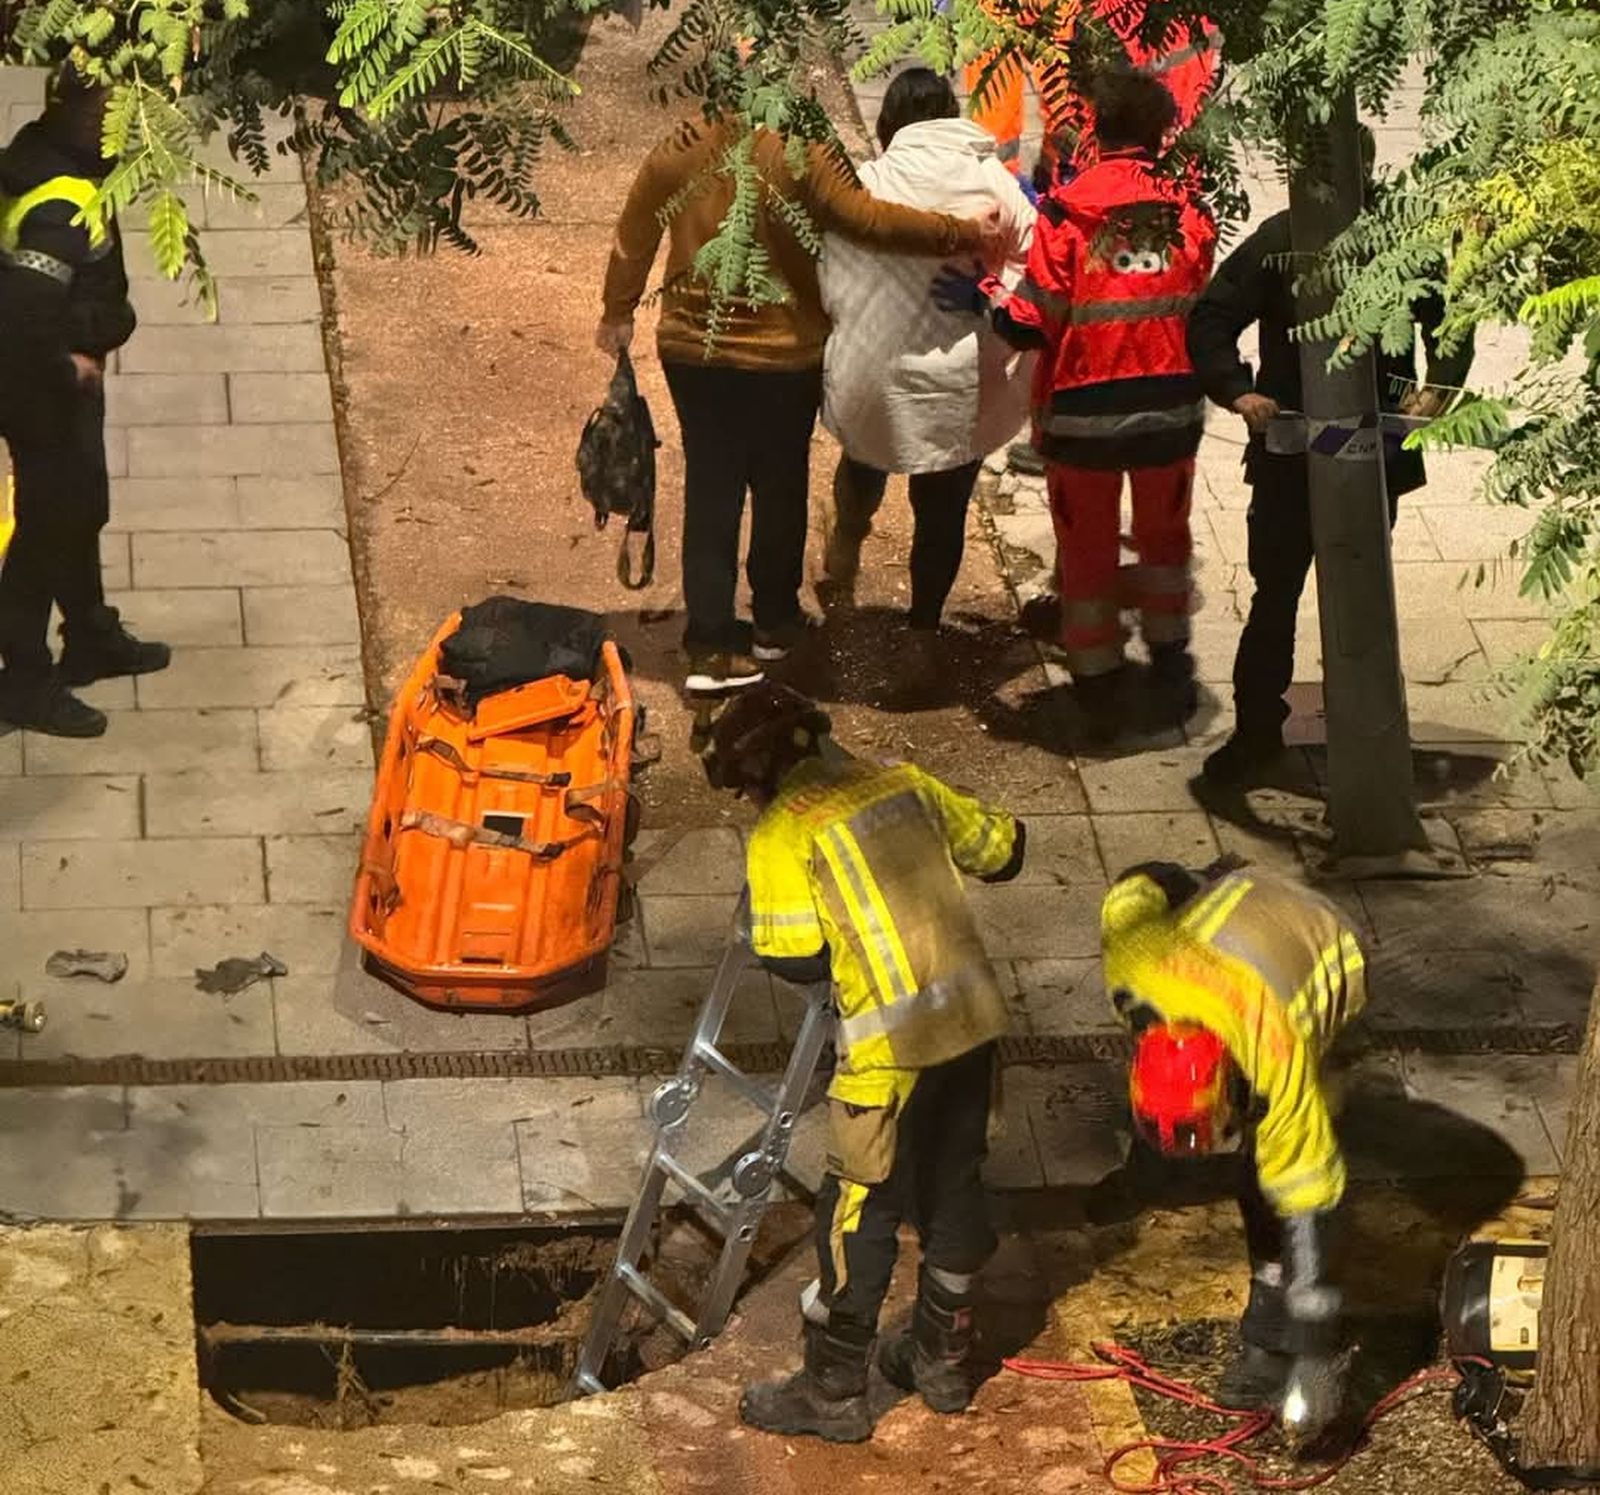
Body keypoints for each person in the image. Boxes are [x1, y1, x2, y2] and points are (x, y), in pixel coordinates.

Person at [701, 681, 1026, 1443]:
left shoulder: (783, 830)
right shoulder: (903, 781)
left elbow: (791, 954)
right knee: (953, 1184)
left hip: (887, 1052)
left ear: (763, 774)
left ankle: (834, 1390)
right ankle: (942, 1364)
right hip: (972, 1023)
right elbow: (1005, 850)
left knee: (857, 1212)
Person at [596, 111, 1006, 698]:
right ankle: (774, 626)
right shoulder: (803, 148)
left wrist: (617, 310)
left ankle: (709, 643)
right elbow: (868, 220)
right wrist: (961, 232)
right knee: (779, 485)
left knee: (712, 487)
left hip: (692, 349)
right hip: (781, 355)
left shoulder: (680, 142)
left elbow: (635, 230)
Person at [1185, 131, 1476, 788]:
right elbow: (1210, 318)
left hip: (1375, 456)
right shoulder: (1280, 241)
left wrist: (1438, 387)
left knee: (1363, 594)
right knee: (1277, 597)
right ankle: (1258, 734)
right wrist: (1239, 391)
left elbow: (1452, 319)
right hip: (1292, 457)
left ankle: (1371, 734)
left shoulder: (1403, 246)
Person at [937, 71, 1216, 738]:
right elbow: (1197, 292)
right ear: (1159, 134)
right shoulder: (1190, 210)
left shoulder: (1066, 213)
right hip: (1170, 411)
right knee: (1163, 535)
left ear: (1095, 131)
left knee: (1087, 545)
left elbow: (1029, 323)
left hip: (1082, 417)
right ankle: (1170, 651)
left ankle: (1097, 676)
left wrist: (983, 294)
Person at [1100, 860, 1365, 1444]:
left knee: (1277, 1175)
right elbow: (1133, 890)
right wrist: (1189, 882)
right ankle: (1266, 1320)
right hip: (1239, 902)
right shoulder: (1134, 966)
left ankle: (1268, 1337)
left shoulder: (1275, 1046)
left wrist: (1314, 1354)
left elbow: (1309, 1202)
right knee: (1252, 1160)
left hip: (1326, 944)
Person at [816, 69, 1036, 656]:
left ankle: (846, 547)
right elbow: (1036, 272)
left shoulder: (867, 182)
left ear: (889, 124)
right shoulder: (996, 184)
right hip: (957, 380)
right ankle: (922, 631)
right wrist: (991, 298)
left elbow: (828, 268)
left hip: (873, 368)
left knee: (863, 462)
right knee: (942, 508)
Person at [0, 67, 169, 737]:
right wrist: (67, 367)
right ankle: (25, 679)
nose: (127, 121)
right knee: (46, 530)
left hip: (38, 381)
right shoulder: (61, 204)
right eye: (114, 107)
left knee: (79, 509)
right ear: (74, 107)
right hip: (41, 388)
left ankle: (92, 637)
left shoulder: (35, 150)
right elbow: (26, 310)